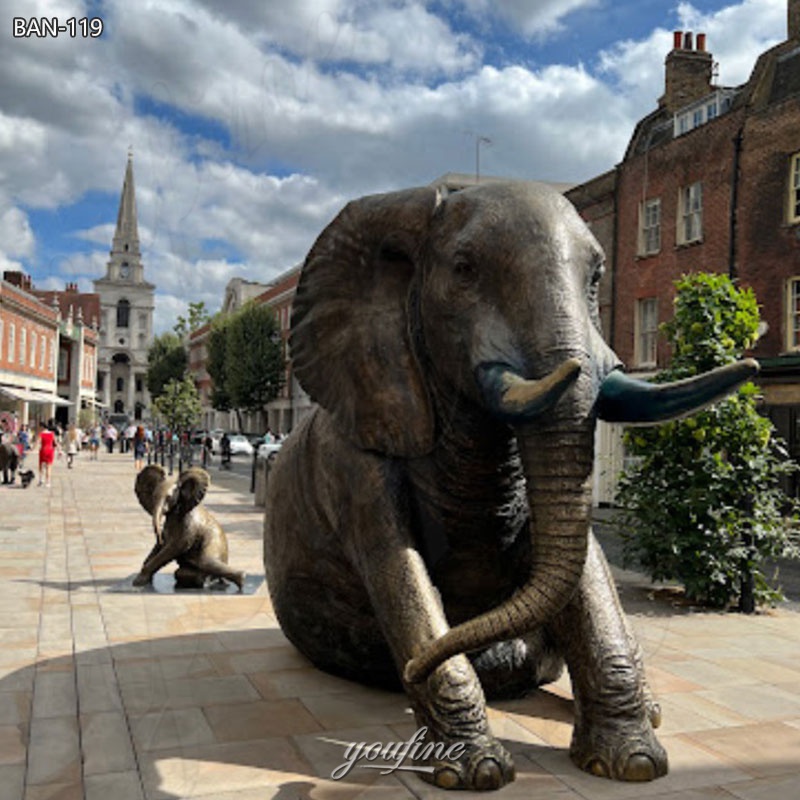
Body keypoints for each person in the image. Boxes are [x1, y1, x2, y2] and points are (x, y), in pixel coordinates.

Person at [37, 422, 59, 487]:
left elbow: (37, 442)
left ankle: (41, 479)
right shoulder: (52, 434)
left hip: (43, 450)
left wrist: (31, 450)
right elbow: (55, 443)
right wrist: (59, 450)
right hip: (50, 450)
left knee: (41, 466)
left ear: (42, 427)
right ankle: (48, 482)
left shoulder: (41, 434)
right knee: (49, 467)